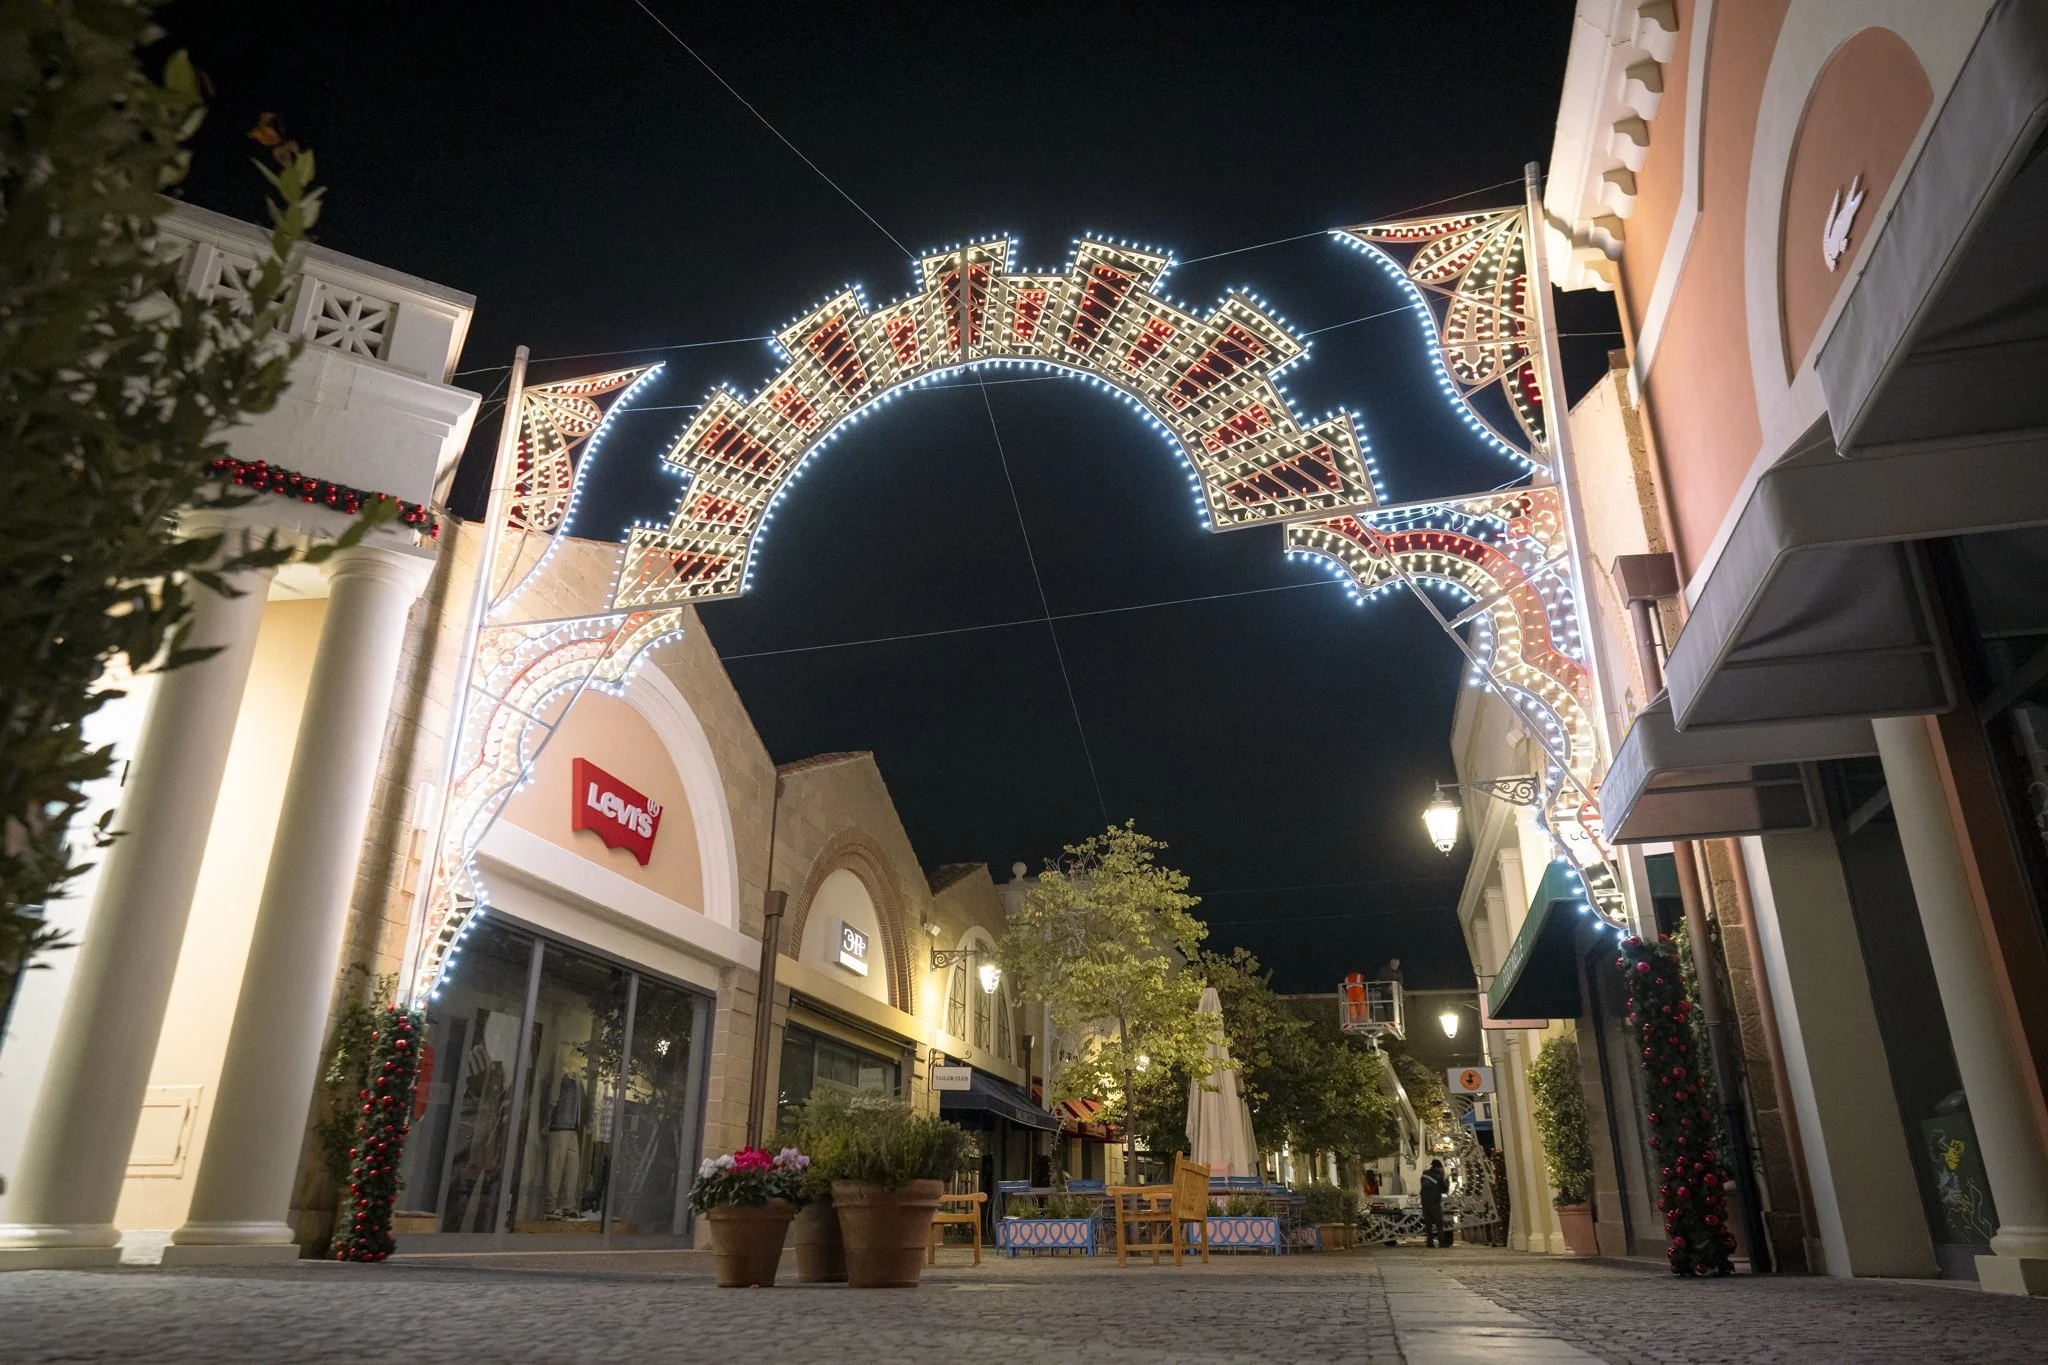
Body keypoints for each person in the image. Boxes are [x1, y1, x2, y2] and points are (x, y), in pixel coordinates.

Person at [1419, 1158, 1447, 1248]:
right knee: (1439, 1223)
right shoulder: (1440, 1175)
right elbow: (1444, 1190)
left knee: (1428, 1224)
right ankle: (1441, 1243)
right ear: (1439, 1166)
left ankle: (1429, 1243)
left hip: (1424, 1201)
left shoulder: (1425, 1174)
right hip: (1434, 1201)